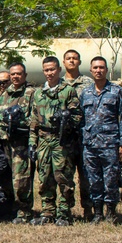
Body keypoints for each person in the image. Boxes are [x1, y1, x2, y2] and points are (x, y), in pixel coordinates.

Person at [29, 57, 83, 226]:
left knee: (63, 177)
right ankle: (48, 212)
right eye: (46, 70)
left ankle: (64, 213)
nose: (49, 73)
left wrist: (67, 119)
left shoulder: (68, 91)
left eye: (52, 69)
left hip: (61, 140)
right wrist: (32, 142)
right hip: (44, 140)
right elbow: (33, 121)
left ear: (59, 69)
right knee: (45, 177)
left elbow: (78, 116)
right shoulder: (38, 93)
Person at [80, 57, 122, 223]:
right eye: (95, 67)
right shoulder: (86, 93)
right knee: (93, 179)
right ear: (91, 70)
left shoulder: (116, 92)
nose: (98, 70)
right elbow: (81, 120)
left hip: (110, 144)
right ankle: (98, 213)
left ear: (106, 70)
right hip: (90, 145)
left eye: (101, 67)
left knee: (110, 179)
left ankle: (111, 212)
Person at [0, 63, 36, 223]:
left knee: (21, 179)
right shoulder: (5, 95)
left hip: (22, 143)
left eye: (18, 74)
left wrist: (21, 123)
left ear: (24, 75)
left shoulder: (31, 93)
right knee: (6, 177)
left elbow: (36, 118)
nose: (15, 77)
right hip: (5, 142)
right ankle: (8, 208)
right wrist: (2, 129)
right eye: (12, 74)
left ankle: (24, 211)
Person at [63, 49, 95, 218]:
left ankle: (89, 209)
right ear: (63, 62)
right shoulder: (59, 84)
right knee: (65, 175)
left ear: (80, 62)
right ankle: (66, 210)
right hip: (65, 138)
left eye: (75, 58)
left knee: (86, 175)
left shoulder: (89, 83)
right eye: (68, 58)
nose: (72, 61)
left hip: (85, 135)